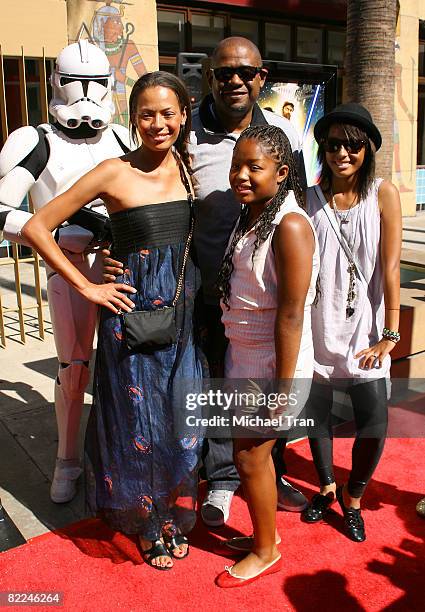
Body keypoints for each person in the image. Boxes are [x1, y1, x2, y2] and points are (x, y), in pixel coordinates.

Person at [104, 37, 309, 525]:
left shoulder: (282, 135)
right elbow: (140, 193)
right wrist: (114, 251)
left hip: (263, 290)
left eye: (245, 72)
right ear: (208, 79)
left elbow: (297, 205)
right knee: (215, 385)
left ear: (262, 79)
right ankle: (219, 480)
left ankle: (266, 469)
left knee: (262, 388)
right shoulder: (183, 134)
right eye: (222, 73)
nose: (234, 80)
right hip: (196, 284)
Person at [21, 71, 206, 570]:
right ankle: (147, 523)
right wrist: (86, 284)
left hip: (182, 316)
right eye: (147, 113)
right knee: (137, 424)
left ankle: (168, 512)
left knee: (177, 423)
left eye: (169, 112)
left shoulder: (188, 167)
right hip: (133, 314)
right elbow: (38, 226)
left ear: (184, 114)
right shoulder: (111, 171)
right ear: (133, 118)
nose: (158, 123)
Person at [0, 40, 131, 503]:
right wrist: (57, 227)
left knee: (126, 367)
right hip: (68, 265)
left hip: (118, 263)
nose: (87, 93)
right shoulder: (35, 140)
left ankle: (119, 454)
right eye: (77, 82)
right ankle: (67, 460)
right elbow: (0, 210)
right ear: (57, 82)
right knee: (74, 369)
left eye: (96, 83)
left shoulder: (119, 138)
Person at [214, 124, 319, 587]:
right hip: (246, 355)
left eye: (254, 167)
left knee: (251, 459)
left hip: (273, 366)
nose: (241, 174)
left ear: (281, 172)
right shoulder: (253, 215)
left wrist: (283, 386)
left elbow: (292, 315)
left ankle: (265, 550)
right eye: (237, 165)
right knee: (249, 456)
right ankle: (265, 536)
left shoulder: (290, 225)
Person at [301, 103, 402, 542]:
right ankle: (325, 487)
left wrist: (390, 334)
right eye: (334, 143)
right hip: (318, 325)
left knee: (374, 423)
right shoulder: (307, 197)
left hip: (365, 331)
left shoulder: (384, 193)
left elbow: (392, 266)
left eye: (353, 144)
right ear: (323, 148)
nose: (342, 152)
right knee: (317, 417)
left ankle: (353, 495)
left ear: (367, 150)